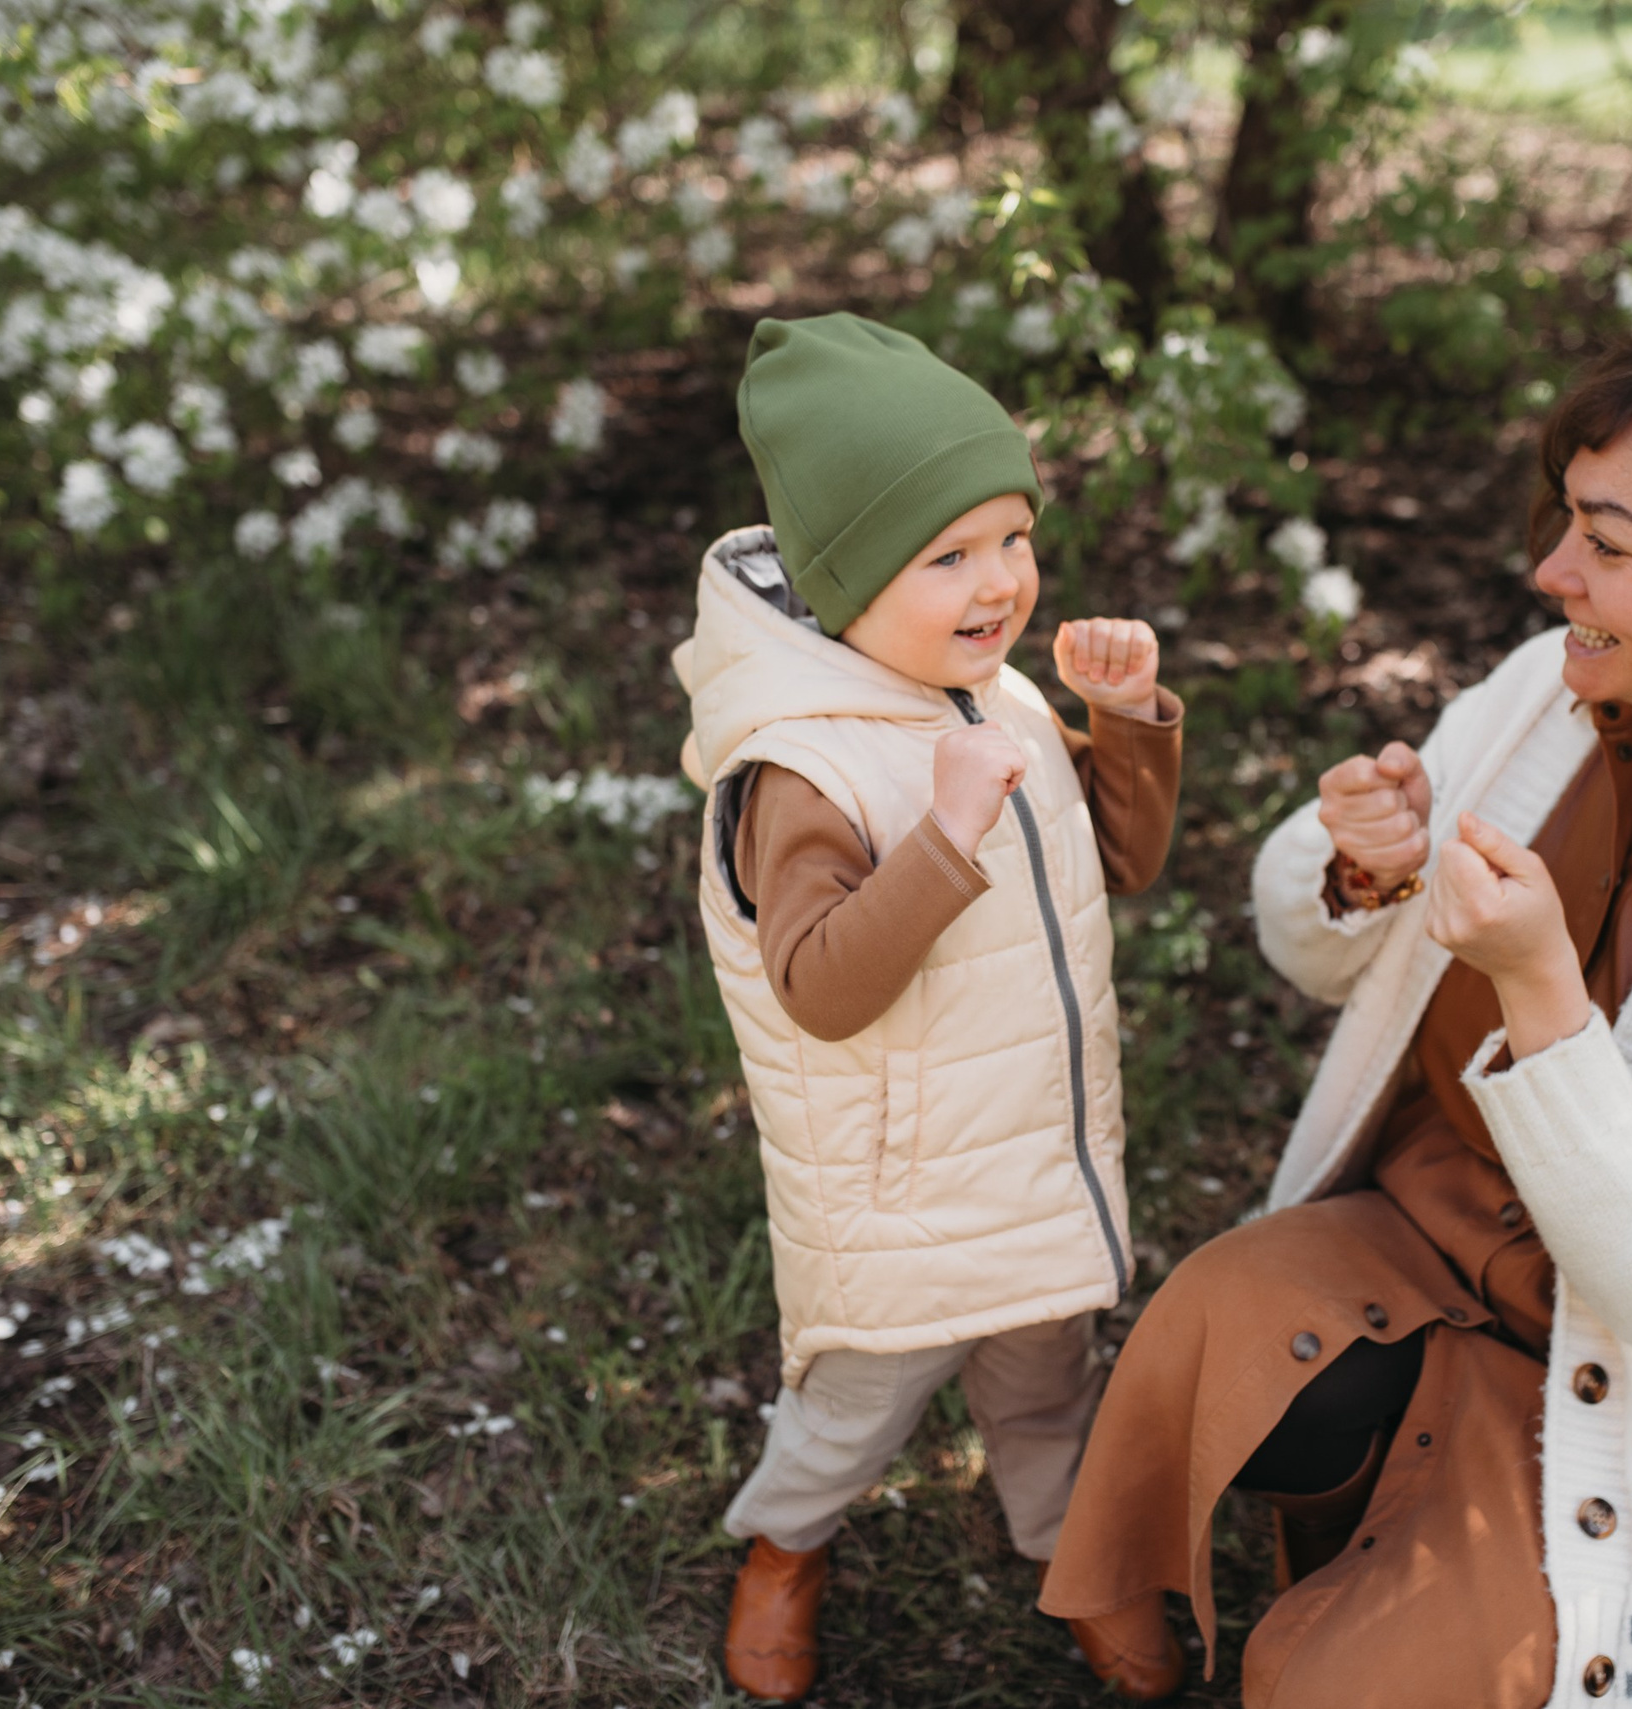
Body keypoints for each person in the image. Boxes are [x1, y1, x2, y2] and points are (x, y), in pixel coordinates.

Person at [1035, 286, 1632, 1708]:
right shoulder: (1560, 689)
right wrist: (1363, 870)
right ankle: (1356, 1517)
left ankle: (1564, 1624)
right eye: (1568, 523)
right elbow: (1310, 944)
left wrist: (1543, 986)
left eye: (1607, 542)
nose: (1553, 572)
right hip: (1414, 1242)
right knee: (1211, 1324)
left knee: (1324, 1693)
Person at [677, 313, 1187, 1703]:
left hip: (1032, 1154)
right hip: (897, 1191)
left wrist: (1125, 722)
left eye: (1013, 537)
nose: (1000, 581)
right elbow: (821, 988)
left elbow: (1122, 861)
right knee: (854, 1412)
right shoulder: (800, 769)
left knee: (1045, 1387)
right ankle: (786, 1549)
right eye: (947, 555)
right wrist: (941, 843)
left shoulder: (997, 696)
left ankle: (1069, 1552)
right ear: (845, 580)